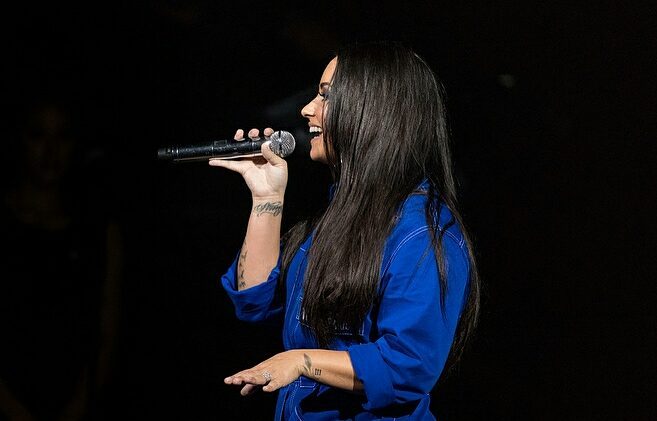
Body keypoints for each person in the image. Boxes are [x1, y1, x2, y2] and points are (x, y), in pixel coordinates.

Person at [210, 41, 480, 420]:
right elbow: (255, 302)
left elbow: (409, 364)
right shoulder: (340, 213)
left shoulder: (420, 232)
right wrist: (266, 197)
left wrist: (302, 361)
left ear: (374, 109)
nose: (308, 109)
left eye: (326, 96)